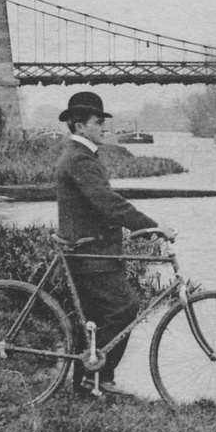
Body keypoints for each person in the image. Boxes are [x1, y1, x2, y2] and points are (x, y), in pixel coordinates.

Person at [55, 91, 160, 397]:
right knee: (126, 307)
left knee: (92, 320)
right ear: (78, 126)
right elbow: (107, 203)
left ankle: (89, 382)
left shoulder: (82, 156)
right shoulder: (79, 158)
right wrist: (150, 225)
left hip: (90, 250)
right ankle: (100, 376)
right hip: (92, 253)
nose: (104, 127)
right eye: (97, 122)